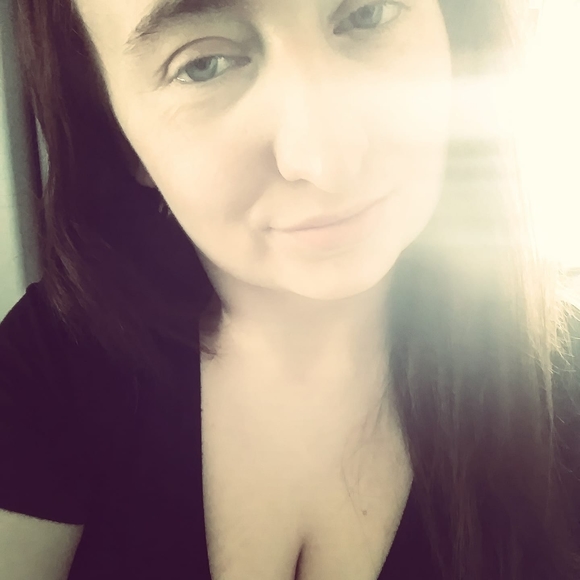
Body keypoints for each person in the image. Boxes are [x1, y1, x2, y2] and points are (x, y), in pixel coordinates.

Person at [1, 0, 579, 579]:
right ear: (118, 135)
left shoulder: (564, 381)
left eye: (368, 14)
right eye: (203, 65)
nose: (329, 162)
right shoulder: (48, 368)